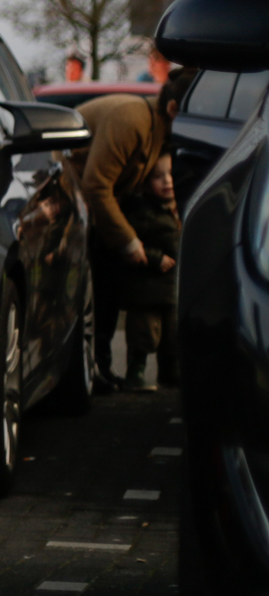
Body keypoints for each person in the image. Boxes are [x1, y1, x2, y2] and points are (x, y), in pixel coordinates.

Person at [71, 65, 197, 390]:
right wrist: (128, 242)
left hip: (93, 212)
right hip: (70, 199)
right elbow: (97, 185)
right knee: (98, 288)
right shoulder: (132, 121)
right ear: (173, 110)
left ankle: (99, 367)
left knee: (109, 286)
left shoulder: (158, 132)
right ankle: (92, 367)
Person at [120, 159, 180, 392]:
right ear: (144, 183)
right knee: (144, 334)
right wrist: (156, 258)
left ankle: (170, 374)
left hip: (171, 289)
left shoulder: (175, 210)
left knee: (171, 338)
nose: (167, 181)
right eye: (158, 177)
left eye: (170, 175)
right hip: (147, 289)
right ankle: (135, 372)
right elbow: (135, 244)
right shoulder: (142, 212)